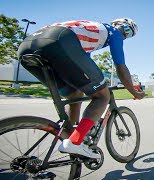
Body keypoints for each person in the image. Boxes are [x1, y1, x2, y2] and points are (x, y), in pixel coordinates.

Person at [17, 18, 145, 159]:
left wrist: (95, 84)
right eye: (127, 30)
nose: (125, 35)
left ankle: (68, 135)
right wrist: (133, 91)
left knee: (75, 95)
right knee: (102, 96)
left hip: (26, 46)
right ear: (116, 25)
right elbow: (121, 67)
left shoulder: (88, 31)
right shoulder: (113, 32)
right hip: (59, 39)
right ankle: (74, 142)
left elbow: (83, 68)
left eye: (129, 34)